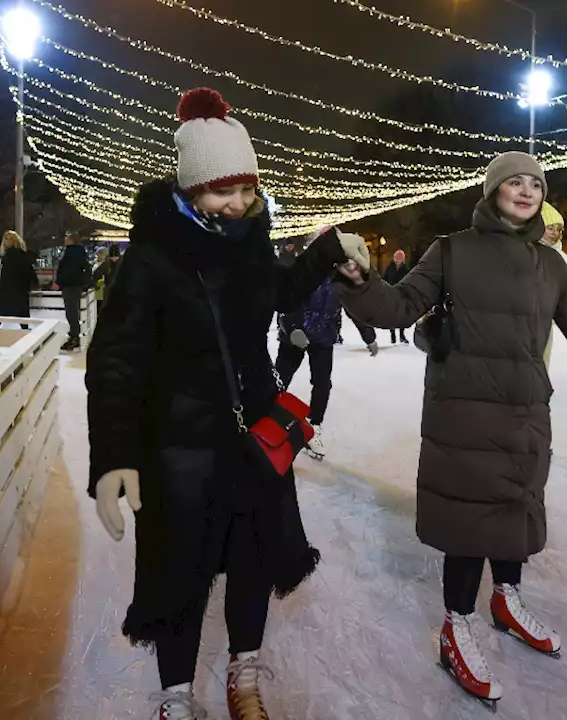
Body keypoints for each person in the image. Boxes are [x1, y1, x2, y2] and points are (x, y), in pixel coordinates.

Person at [334, 151, 567, 708]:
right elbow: (397, 308)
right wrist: (357, 278)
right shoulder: (451, 251)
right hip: (464, 414)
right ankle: (456, 625)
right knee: (470, 523)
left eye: (534, 184)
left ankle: (506, 598)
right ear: (492, 191)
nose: (524, 192)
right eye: (513, 183)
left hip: (523, 412)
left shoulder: (551, 267)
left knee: (517, 507)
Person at [85, 87, 369, 720]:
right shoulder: (153, 261)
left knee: (251, 561)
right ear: (190, 190)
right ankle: (176, 696)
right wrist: (113, 457)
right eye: (221, 191)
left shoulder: (248, 240)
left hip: (250, 439)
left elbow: (276, 292)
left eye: (247, 188)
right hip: (179, 446)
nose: (239, 202)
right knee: (181, 573)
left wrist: (329, 250)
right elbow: (116, 365)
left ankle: (245, 674)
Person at [276, 267, 378, 460]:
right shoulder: (304, 270)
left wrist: (368, 336)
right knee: (279, 380)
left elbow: (354, 309)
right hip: (295, 338)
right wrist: (292, 328)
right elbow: (286, 301)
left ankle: (313, 427)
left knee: (322, 383)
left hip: (323, 337)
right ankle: (263, 420)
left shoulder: (342, 280)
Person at [539, 202, 567, 367]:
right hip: (522, 321)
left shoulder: (563, 259)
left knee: (542, 365)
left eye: (559, 229)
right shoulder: (525, 253)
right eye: (550, 228)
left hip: (546, 322)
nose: (555, 234)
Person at [54, 231, 91, 351]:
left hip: (70, 286)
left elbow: (65, 270)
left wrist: (59, 282)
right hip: (75, 285)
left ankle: (74, 336)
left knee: (71, 312)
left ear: (71, 240)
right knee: (73, 311)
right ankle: (74, 336)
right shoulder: (80, 253)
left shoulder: (70, 253)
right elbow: (86, 268)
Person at [0, 230, 36, 330]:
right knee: (23, 318)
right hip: (19, 292)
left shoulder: (6, 257)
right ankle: (26, 335)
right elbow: (29, 273)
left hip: (8, 291)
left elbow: (3, 276)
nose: (7, 241)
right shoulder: (23, 255)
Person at [382, 249, 412, 344]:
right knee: (392, 315)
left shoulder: (406, 270)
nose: (397, 261)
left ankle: (402, 335)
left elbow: (408, 281)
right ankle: (392, 334)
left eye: (399, 259)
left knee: (401, 315)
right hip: (391, 293)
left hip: (401, 294)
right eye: (396, 259)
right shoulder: (390, 268)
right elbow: (384, 279)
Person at [93, 245, 120, 317]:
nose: (114, 259)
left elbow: (96, 274)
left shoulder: (107, 263)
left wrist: (97, 285)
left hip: (109, 291)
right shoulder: (123, 262)